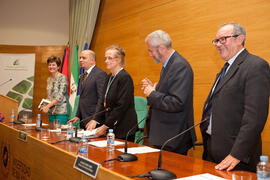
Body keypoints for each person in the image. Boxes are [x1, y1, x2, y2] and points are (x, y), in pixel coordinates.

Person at [200, 22, 270, 172]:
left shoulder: (255, 66)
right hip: (213, 150)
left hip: (236, 158)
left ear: (240, 39)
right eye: (216, 41)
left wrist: (236, 154)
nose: (218, 44)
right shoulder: (225, 69)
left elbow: (255, 118)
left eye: (223, 39)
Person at [142, 30, 196, 155]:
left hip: (173, 137)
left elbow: (177, 102)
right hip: (165, 135)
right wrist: (154, 90)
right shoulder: (169, 65)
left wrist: (152, 94)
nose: (150, 55)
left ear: (161, 48)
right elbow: (168, 94)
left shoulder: (179, 65)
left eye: (150, 50)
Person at [87, 45, 137, 141]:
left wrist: (105, 126)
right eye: (105, 58)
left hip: (124, 127)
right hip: (111, 125)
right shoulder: (109, 77)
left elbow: (121, 106)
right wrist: (95, 119)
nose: (106, 61)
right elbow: (102, 100)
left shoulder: (125, 78)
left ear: (119, 60)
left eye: (110, 58)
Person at [68, 50, 106, 129]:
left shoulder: (100, 74)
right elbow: (82, 97)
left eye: (84, 58)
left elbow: (101, 99)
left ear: (92, 60)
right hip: (83, 119)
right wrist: (77, 115)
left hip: (94, 121)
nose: (80, 60)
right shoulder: (82, 76)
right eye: (80, 58)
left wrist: (95, 119)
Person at [40, 56, 69, 125]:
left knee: (60, 134)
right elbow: (49, 96)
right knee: (52, 133)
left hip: (61, 112)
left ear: (58, 67)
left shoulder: (62, 78)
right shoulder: (49, 79)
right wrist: (43, 106)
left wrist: (47, 106)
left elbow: (60, 96)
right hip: (51, 111)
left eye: (53, 65)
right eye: (49, 65)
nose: (51, 66)